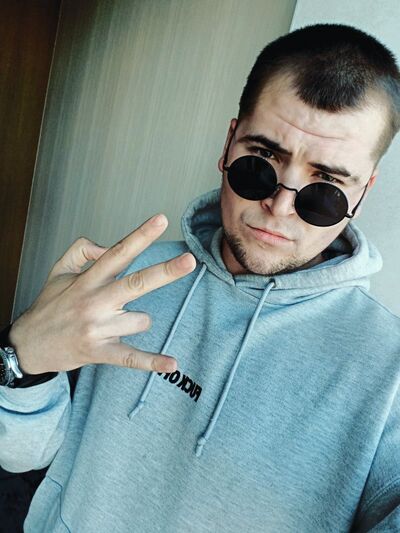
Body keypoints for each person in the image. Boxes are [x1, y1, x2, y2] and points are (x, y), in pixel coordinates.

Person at [1, 22, 400, 532]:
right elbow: (22, 454)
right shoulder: (130, 277)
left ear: (362, 193)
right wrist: (22, 360)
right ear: (229, 143)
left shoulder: (388, 369)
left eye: (325, 188)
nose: (279, 207)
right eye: (261, 162)